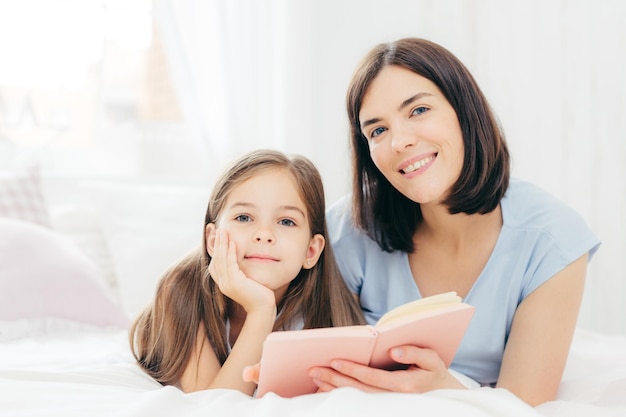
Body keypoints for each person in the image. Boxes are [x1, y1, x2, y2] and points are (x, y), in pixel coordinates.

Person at [309, 37, 601, 406]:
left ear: (464, 111)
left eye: (418, 110)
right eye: (378, 130)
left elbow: (524, 403)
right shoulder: (347, 229)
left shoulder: (553, 240)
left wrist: (444, 390)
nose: (399, 141)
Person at [129, 149, 364, 395]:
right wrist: (261, 311)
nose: (264, 234)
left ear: (311, 251)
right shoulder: (182, 289)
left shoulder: (325, 314)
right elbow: (214, 406)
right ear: (212, 240)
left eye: (286, 221)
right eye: (244, 217)